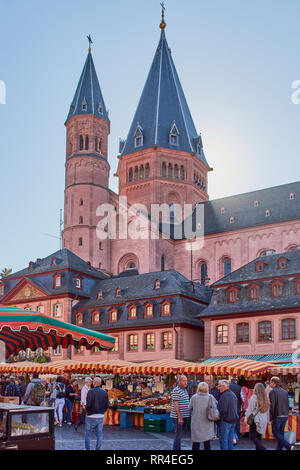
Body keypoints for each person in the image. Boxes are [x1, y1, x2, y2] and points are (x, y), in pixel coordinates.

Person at [188, 382, 218, 450]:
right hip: (207, 422)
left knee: (196, 442)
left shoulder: (194, 397)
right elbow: (216, 406)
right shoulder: (210, 397)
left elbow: (189, 407)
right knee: (207, 442)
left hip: (196, 422)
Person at [269, 376, 294, 451]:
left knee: (275, 433)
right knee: (280, 434)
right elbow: (287, 404)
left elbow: (272, 406)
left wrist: (270, 418)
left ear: (273, 383)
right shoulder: (284, 391)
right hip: (285, 415)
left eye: (270, 382)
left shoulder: (272, 392)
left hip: (278, 416)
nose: (270, 384)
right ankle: (279, 448)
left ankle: (288, 446)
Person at [85, 377, 109, 450]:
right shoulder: (104, 392)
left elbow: (88, 404)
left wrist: (87, 411)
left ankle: (87, 448)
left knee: (88, 433)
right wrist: (102, 411)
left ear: (93, 383)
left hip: (91, 415)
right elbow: (106, 405)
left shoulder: (90, 391)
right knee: (99, 434)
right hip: (100, 415)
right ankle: (98, 448)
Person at [244, 383, 269, 450]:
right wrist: (268, 420)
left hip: (255, 419)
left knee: (253, 437)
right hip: (263, 420)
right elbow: (268, 411)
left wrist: (246, 418)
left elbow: (250, 410)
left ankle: (263, 449)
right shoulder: (265, 398)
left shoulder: (254, 397)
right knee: (258, 437)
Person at [217, 379, 238, 450]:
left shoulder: (224, 396)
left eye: (219, 386)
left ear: (224, 386)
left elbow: (223, 410)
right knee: (230, 441)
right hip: (233, 421)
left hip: (226, 421)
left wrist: (220, 419)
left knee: (224, 441)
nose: (218, 388)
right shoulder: (232, 394)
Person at [170, 375, 190, 451]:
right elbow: (176, 405)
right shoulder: (176, 390)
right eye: (184, 381)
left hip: (183, 416)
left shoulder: (184, 390)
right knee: (178, 434)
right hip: (177, 417)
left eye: (186, 380)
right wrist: (180, 417)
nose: (186, 382)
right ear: (179, 381)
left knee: (180, 434)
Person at [229, 377, 245, 442]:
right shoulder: (239, 387)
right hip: (237, 407)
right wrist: (243, 406)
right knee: (237, 422)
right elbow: (243, 398)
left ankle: (231, 436)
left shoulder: (228, 387)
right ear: (236, 382)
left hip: (229, 407)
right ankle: (237, 436)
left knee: (229, 421)